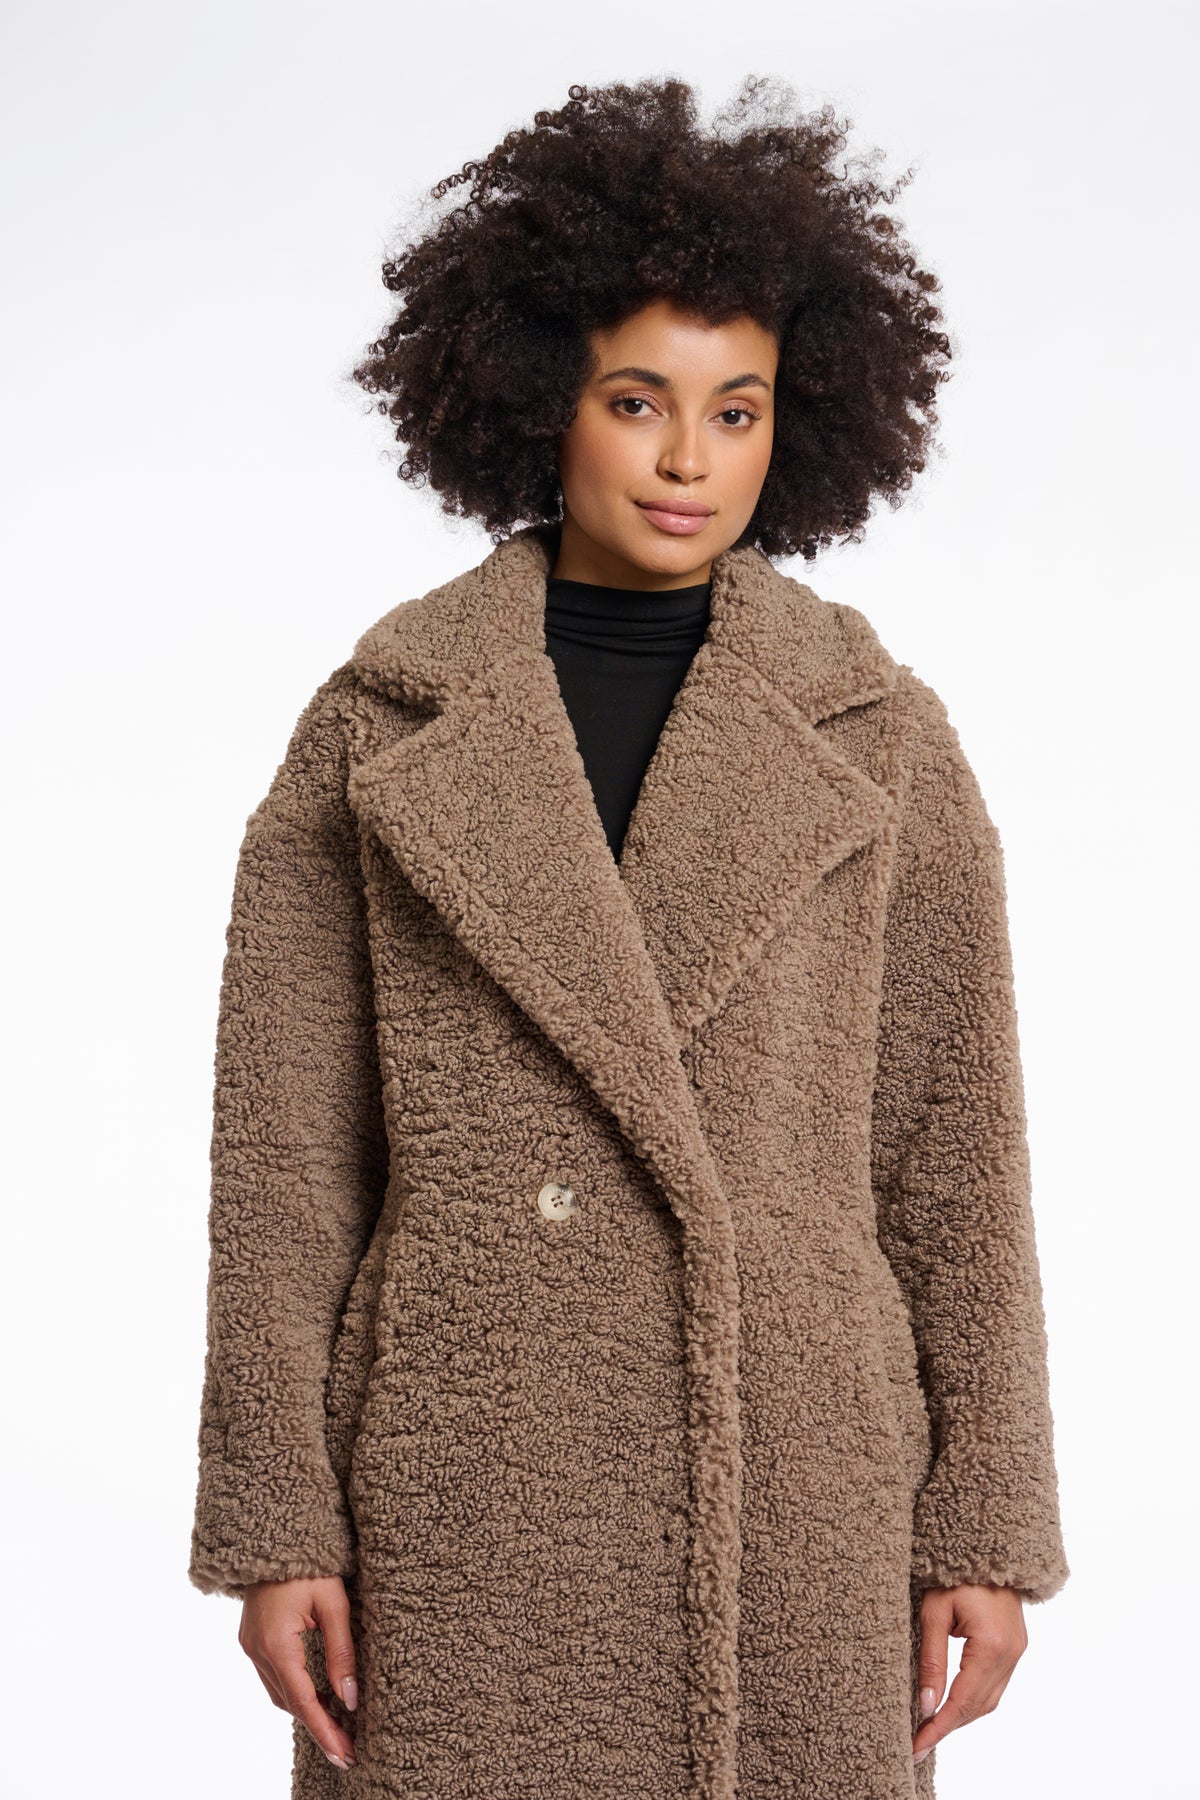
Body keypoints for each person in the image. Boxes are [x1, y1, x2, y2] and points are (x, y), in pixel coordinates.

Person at [188, 75, 1068, 1800]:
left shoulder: (877, 735)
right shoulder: (379, 728)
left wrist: (985, 1516)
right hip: (457, 1468)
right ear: (539, 403)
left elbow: (956, 1156)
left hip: (795, 1478)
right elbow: (286, 1160)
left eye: (737, 412)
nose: (687, 461)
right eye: (636, 402)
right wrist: (277, 1516)